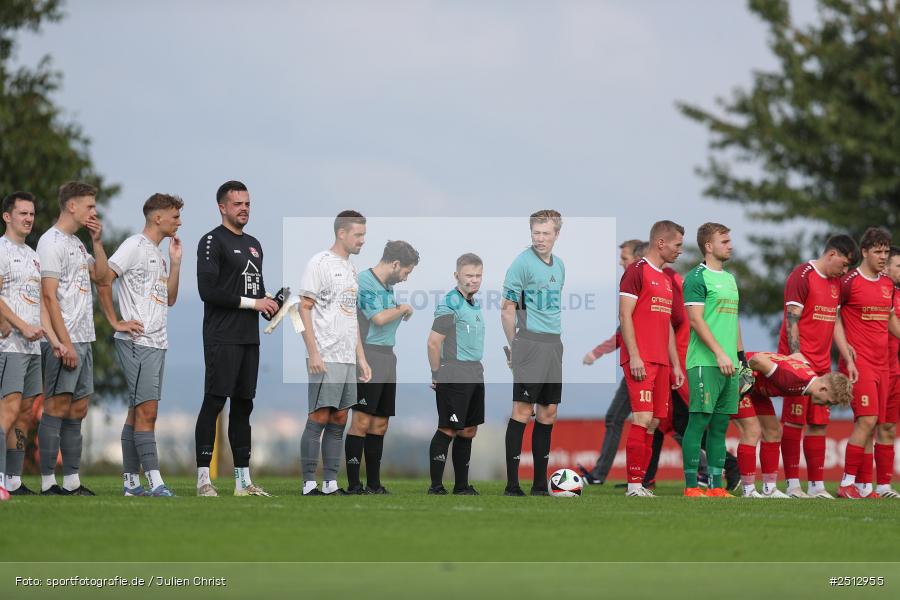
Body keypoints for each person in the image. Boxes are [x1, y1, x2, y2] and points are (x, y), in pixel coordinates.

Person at [194, 180, 278, 497]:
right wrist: (254, 303)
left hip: (248, 338)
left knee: (244, 406)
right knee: (214, 402)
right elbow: (209, 291)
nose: (243, 208)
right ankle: (204, 479)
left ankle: (243, 483)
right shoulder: (211, 242)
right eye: (237, 203)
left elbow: (253, 291)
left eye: (247, 203)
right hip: (221, 336)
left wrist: (270, 304)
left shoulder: (255, 244)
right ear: (223, 207)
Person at [98, 194, 183, 497]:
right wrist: (115, 321)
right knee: (148, 412)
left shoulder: (159, 254)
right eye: (175, 217)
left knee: (137, 412)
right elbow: (104, 278)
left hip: (157, 342)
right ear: (157, 218)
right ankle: (155, 481)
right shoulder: (134, 245)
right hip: (137, 342)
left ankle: (131, 484)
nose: (179, 222)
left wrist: (175, 264)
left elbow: (170, 298)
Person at [36, 181, 108, 496]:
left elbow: (102, 276)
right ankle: (48, 482)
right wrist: (62, 344)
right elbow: (49, 298)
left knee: (78, 410)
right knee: (56, 407)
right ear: (72, 206)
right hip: (63, 341)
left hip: (85, 339)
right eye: (89, 206)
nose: (94, 211)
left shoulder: (78, 243)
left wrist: (97, 241)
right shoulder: (49, 242)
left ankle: (72, 482)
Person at [298, 211, 372, 496]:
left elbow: (351, 317)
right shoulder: (319, 263)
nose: (362, 241)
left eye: (364, 235)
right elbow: (303, 307)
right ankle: (308, 484)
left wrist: (361, 358)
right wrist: (313, 352)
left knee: (340, 419)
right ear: (341, 233)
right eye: (358, 235)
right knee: (319, 417)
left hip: (346, 357)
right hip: (324, 355)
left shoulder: (352, 269)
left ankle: (330, 483)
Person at [778, 235, 857, 498]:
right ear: (832, 254)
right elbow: (792, 319)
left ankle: (816, 486)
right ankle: (792, 485)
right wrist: (796, 355)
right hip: (799, 364)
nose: (844, 271)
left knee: (819, 423)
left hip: (823, 366)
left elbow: (834, 321)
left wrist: (845, 353)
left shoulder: (835, 283)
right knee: (793, 423)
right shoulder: (802, 275)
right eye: (843, 264)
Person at [0, 192, 62, 499]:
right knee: (7, 412)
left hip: (32, 349)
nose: (28, 219)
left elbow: (38, 305)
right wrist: (21, 326)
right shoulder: (1, 250)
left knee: (25, 413)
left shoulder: (33, 256)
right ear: (7, 216)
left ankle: (13, 479)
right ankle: (0, 479)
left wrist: (54, 340)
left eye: (32, 214)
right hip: (8, 346)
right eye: (22, 213)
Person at [682, 222, 749, 498]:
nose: (730, 245)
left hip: (730, 365)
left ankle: (715, 487)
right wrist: (720, 353)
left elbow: (733, 323)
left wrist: (741, 359)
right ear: (708, 246)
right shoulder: (696, 277)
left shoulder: (731, 279)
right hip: (705, 363)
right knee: (698, 423)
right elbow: (696, 321)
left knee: (721, 427)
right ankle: (690, 486)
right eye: (724, 241)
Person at [345, 240, 418, 494]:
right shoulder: (365, 281)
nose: (406, 278)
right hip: (370, 356)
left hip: (388, 357)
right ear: (396, 264)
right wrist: (402, 309)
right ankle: (354, 484)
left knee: (380, 424)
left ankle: (374, 484)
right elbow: (376, 318)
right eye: (406, 272)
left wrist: (398, 310)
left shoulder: (387, 286)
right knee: (362, 422)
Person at [618, 222, 685, 497]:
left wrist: (676, 365)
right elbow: (625, 316)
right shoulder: (637, 271)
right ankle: (634, 485)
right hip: (641, 358)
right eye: (677, 245)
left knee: (656, 422)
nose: (679, 250)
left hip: (662, 362)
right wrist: (633, 355)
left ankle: (642, 483)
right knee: (643, 418)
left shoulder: (667, 279)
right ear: (661, 243)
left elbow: (668, 325)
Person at [502, 210, 565, 496]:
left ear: (556, 234)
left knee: (548, 412)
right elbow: (507, 308)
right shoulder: (521, 263)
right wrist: (514, 345)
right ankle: (513, 485)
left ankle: (540, 485)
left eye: (546, 233)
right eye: (536, 233)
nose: (540, 238)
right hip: (528, 343)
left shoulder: (560, 266)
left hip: (554, 344)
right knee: (522, 410)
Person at [834, 227, 900, 499]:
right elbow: (834, 316)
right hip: (858, 365)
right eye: (878, 251)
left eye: (886, 251)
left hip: (884, 364)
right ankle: (846, 483)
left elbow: (890, 321)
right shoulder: (849, 282)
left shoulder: (887, 285)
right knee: (867, 419)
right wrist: (846, 352)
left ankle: (866, 486)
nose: (883, 256)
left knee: (877, 424)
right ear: (864, 252)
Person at [578, 240, 642, 485]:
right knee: (656, 423)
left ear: (637, 257)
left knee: (670, 424)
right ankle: (605, 475)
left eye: (624, 258)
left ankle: (723, 468)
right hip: (645, 365)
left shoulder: (642, 283)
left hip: (646, 366)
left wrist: (596, 352)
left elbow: (623, 331)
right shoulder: (644, 282)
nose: (620, 262)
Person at [426, 253, 485, 496]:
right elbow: (432, 343)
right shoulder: (449, 303)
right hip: (454, 371)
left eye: (478, 275)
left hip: (474, 371)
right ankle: (436, 486)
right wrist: (436, 373)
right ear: (456, 275)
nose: (474, 280)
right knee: (448, 428)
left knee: (469, 429)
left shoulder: (474, 302)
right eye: (469, 275)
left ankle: (461, 485)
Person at [876, 246, 900, 498]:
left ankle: (883, 486)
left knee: (889, 427)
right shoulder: (876, 294)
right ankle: (858, 484)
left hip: (895, 371)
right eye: (899, 266)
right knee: (867, 423)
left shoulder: (898, 295)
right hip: (873, 369)